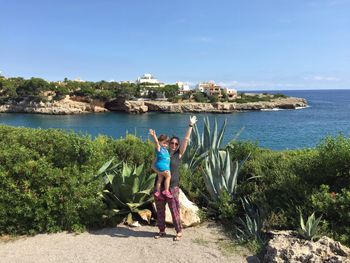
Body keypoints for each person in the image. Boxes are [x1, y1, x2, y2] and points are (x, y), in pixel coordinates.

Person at [152, 115, 198, 241]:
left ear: (178, 146)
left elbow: (186, 139)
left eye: (176, 144)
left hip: (173, 187)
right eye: (171, 143)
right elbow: (153, 165)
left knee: (174, 210)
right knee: (160, 211)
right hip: (159, 185)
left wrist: (190, 125)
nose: (173, 145)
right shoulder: (162, 152)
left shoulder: (178, 154)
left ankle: (178, 231)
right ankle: (161, 230)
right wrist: (160, 173)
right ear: (167, 143)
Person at [149, 129, 173, 199]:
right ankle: (166, 190)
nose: (165, 145)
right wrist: (154, 136)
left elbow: (167, 157)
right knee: (168, 177)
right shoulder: (159, 149)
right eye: (164, 143)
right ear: (159, 142)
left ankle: (158, 192)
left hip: (160, 167)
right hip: (163, 167)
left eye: (166, 143)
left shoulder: (166, 151)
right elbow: (156, 142)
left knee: (160, 179)